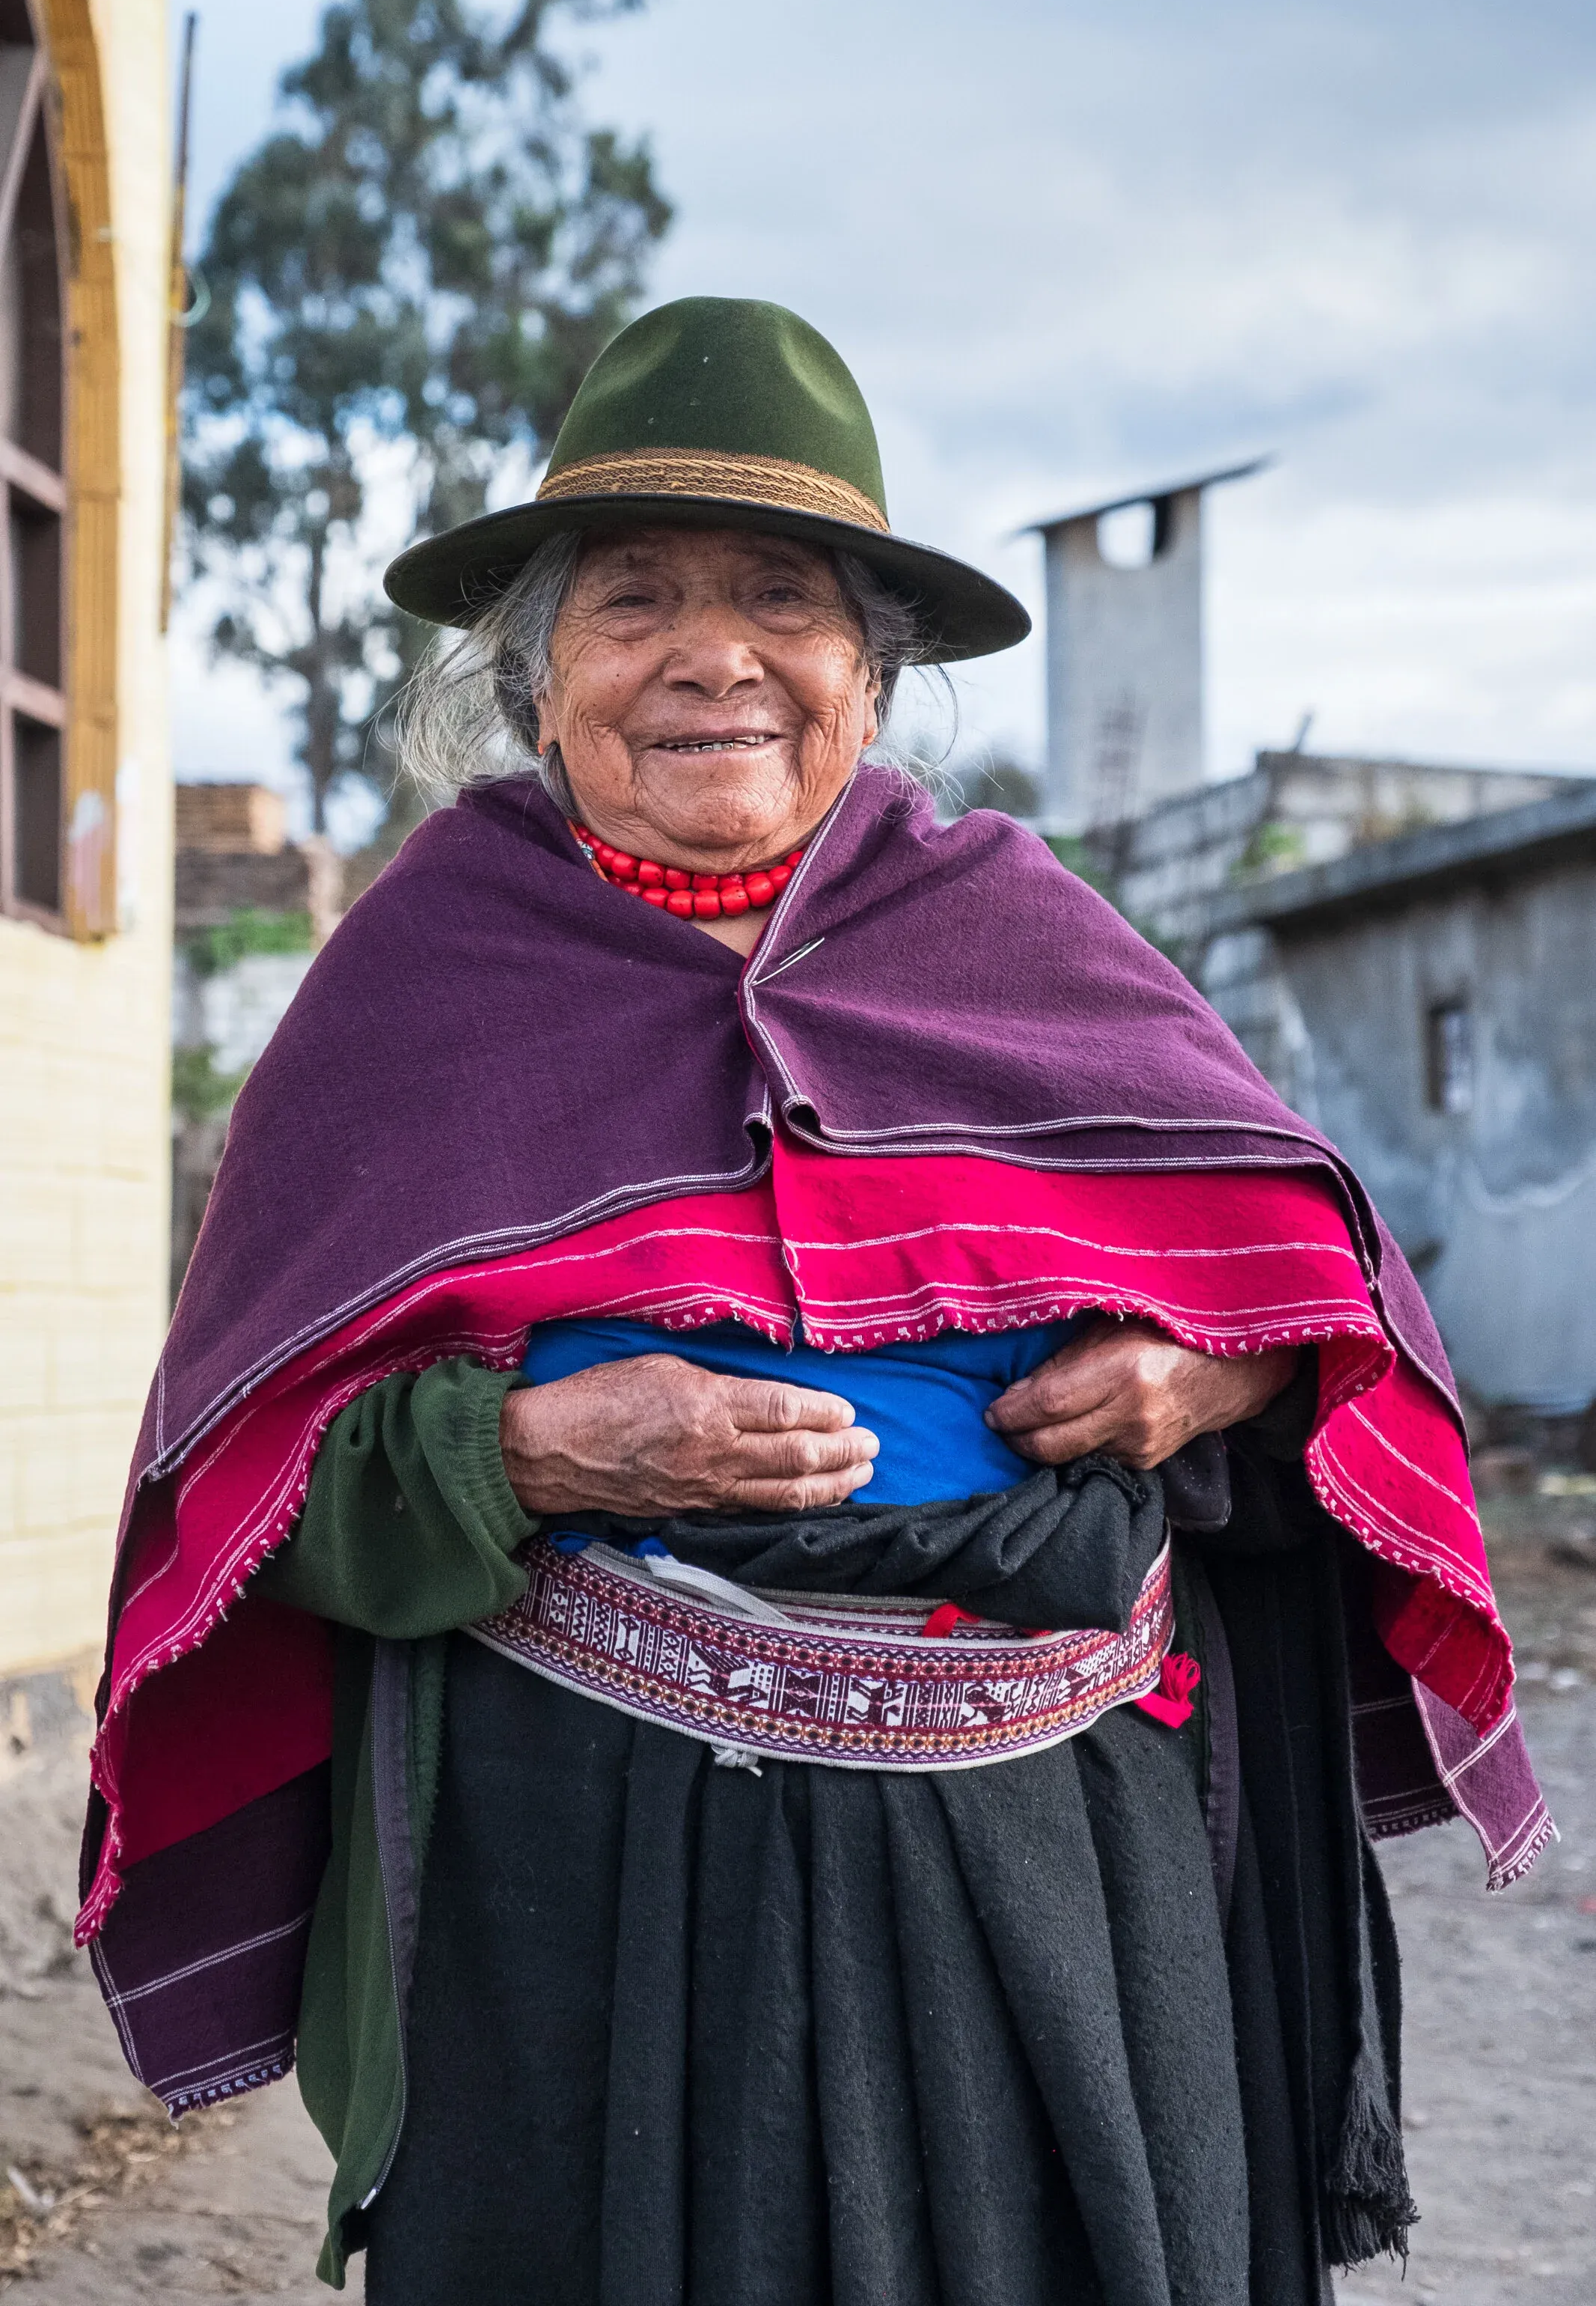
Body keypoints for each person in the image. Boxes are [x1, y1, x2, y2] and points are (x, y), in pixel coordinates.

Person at [80, 297, 1549, 2306]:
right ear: (530, 681)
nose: (712, 654)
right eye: (633, 601)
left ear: (869, 670)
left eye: (781, 596)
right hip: (584, 1884)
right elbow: (247, 1498)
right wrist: (525, 1446)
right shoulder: (411, 997)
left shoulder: (1023, 941)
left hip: (1051, 1878)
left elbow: (1329, 1321)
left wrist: (1208, 1378)